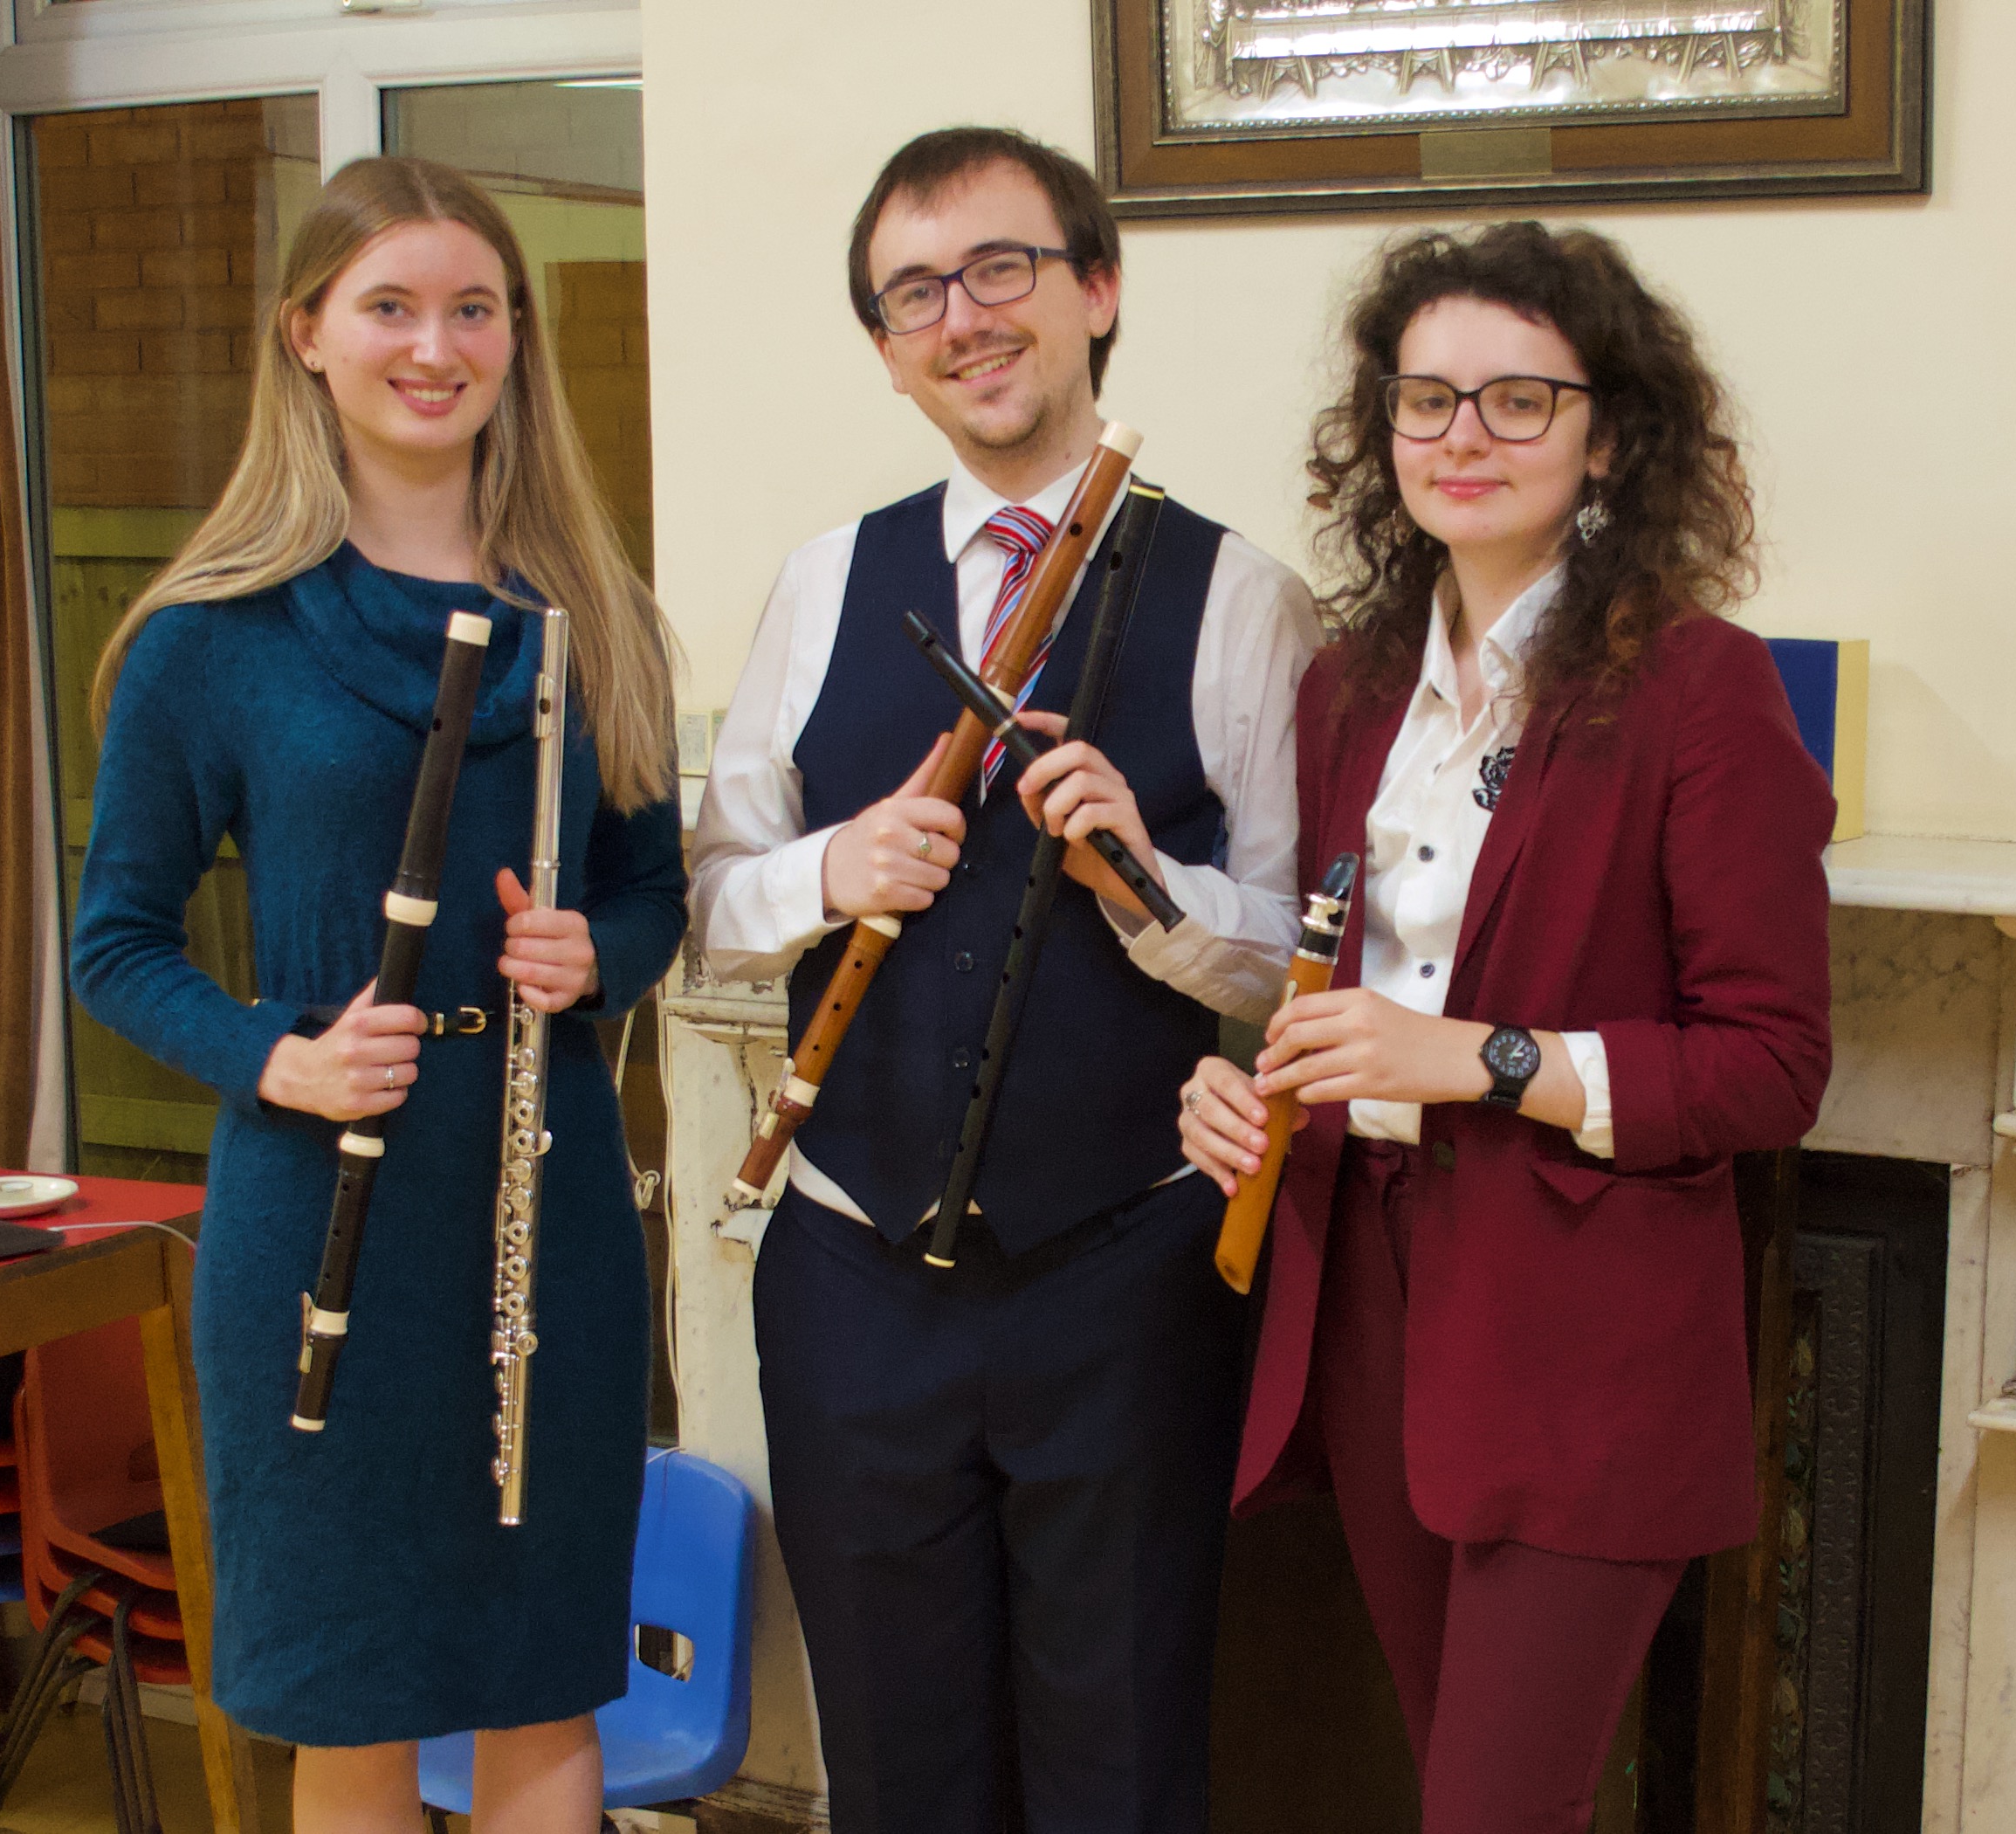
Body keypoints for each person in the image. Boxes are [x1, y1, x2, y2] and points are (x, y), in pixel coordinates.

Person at [691, 127, 1319, 1834]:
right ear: (886, 349)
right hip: (847, 1270)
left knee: (1120, 1764)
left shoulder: (1246, 600)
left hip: (1122, 1278)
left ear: (1093, 290)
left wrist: (1142, 879)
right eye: (915, 292)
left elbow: (1298, 963)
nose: (961, 316)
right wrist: (833, 867)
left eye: (1000, 270)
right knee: (896, 1775)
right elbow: (705, 900)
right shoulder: (824, 583)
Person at [1176, 223, 1834, 1834]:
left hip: (1584, 1337)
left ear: (1607, 433)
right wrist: (1250, 1092)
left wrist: (1480, 1057)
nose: (1461, 436)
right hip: (1373, 1309)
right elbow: (1336, 996)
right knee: (1456, 1783)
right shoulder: (1348, 691)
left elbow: (1771, 1063)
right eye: (1425, 400)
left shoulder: (1703, 691)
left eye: (1517, 400)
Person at [72, 155, 684, 1834]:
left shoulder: (594, 614)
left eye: (473, 309)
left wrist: (593, 959)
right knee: (347, 1693)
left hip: (538, 1214)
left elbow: (652, 897)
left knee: (537, 1679)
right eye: (392, 307)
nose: (438, 346)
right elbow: (113, 944)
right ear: (308, 337)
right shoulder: (216, 636)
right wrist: (282, 1060)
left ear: (513, 341)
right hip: (318, 1222)